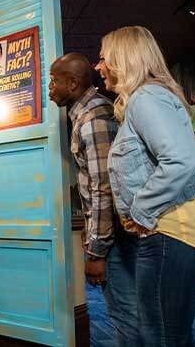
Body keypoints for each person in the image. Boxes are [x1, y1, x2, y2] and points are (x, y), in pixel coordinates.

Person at [95, 25, 195, 346]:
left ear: (123, 58)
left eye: (103, 58)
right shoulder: (150, 98)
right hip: (184, 233)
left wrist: (139, 211)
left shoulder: (146, 98)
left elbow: (180, 161)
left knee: (159, 338)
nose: (97, 66)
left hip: (175, 233)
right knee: (172, 337)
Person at [49, 53, 126, 339]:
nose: (50, 87)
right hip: (114, 238)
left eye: (54, 81)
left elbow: (104, 187)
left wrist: (96, 251)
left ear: (72, 83)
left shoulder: (93, 118)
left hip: (117, 240)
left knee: (124, 317)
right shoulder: (87, 113)